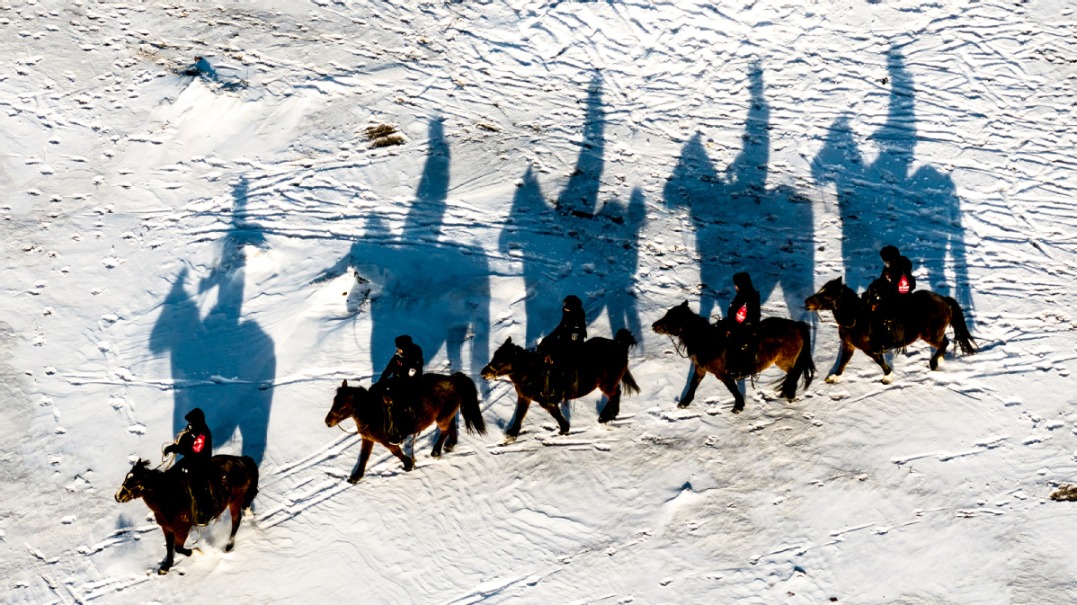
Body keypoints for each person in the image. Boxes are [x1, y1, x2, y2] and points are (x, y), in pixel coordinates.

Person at [164, 408, 215, 524]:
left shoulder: (202, 433)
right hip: (190, 459)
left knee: (197, 486)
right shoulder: (191, 428)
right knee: (171, 475)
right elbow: (184, 441)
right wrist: (173, 447)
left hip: (201, 462)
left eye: (192, 421)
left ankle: (205, 513)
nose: (189, 423)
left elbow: (195, 450)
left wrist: (177, 449)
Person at [537, 295, 587, 401]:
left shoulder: (577, 319)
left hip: (574, 345)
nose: (564, 309)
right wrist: (549, 338)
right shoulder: (568, 313)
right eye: (564, 307)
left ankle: (558, 388)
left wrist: (557, 345)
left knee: (560, 363)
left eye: (567, 308)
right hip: (565, 341)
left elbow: (573, 339)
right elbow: (561, 326)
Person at [376, 335, 424, 444]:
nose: (397, 350)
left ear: (405, 347)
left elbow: (411, 374)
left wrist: (398, 380)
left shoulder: (415, 355)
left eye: (399, 348)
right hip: (398, 380)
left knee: (399, 405)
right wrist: (382, 379)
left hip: (411, 383)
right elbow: (390, 367)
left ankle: (400, 432)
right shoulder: (399, 354)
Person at [871, 245, 917, 350]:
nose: (885, 263)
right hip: (890, 294)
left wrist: (884, 294)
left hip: (901, 297)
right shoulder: (889, 267)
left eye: (886, 261)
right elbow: (883, 280)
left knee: (886, 315)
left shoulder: (902, 270)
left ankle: (888, 339)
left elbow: (901, 289)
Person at [724, 272, 760, 377]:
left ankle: (736, 370)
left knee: (733, 344)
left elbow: (744, 315)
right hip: (740, 325)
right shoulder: (744, 294)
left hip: (745, 327)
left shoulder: (746, 296)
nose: (735, 286)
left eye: (736, 284)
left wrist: (731, 327)